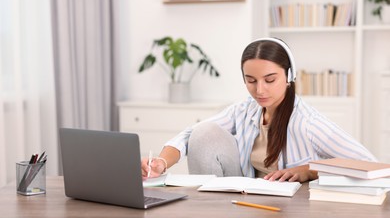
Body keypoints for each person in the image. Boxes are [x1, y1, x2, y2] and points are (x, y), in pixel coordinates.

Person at [141, 37, 377, 183]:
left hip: (292, 207)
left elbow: (368, 164)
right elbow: (189, 135)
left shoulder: (308, 122)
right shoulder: (245, 110)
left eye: (270, 79)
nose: (260, 90)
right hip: (246, 197)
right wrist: (162, 161)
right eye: (251, 80)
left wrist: (309, 170)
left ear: (289, 76)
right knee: (204, 132)